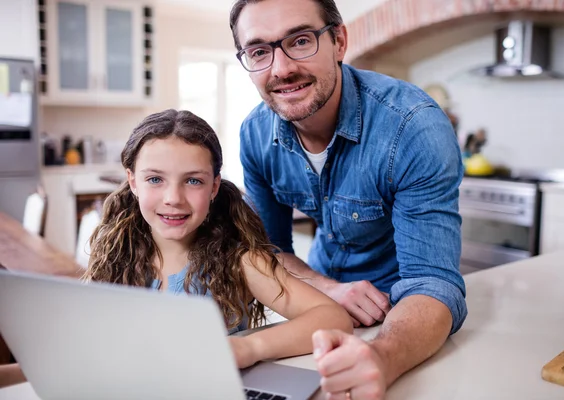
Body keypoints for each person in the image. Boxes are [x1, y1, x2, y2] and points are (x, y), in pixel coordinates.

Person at [0, 110, 352, 388]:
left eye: (193, 180)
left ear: (214, 187)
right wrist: (13, 374)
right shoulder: (116, 260)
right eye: (155, 179)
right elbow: (83, 353)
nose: (173, 198)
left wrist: (247, 348)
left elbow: (332, 318)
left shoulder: (240, 260)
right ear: (132, 181)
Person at [229, 0, 467, 398]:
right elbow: (267, 250)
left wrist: (382, 357)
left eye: (300, 40)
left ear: (339, 41)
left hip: (401, 316)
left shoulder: (412, 127)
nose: (281, 68)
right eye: (259, 51)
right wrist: (329, 289)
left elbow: (431, 283)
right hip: (318, 306)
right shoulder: (255, 134)